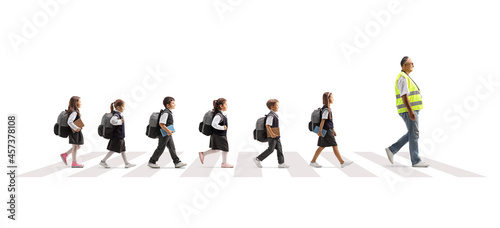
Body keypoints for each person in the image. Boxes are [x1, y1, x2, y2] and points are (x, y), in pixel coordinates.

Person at [385, 56, 429, 168]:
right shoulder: (402, 78)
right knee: (414, 134)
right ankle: (415, 160)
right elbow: (404, 96)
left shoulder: (405, 77)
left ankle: (391, 150)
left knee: (412, 133)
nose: (413, 65)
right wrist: (410, 111)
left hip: (411, 110)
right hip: (408, 110)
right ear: (404, 65)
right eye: (411, 63)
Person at [310, 92, 353, 168]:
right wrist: (320, 131)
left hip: (327, 130)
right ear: (328, 99)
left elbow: (328, 121)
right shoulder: (326, 109)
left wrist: (333, 130)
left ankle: (313, 161)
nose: (333, 99)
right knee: (334, 145)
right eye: (332, 97)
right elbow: (323, 121)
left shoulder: (326, 108)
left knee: (321, 146)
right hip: (327, 131)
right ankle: (342, 162)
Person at [148, 96, 187, 168]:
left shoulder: (168, 112)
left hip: (167, 133)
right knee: (161, 148)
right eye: (173, 103)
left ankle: (177, 162)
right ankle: (152, 161)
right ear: (167, 105)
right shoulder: (166, 113)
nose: (174, 104)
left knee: (172, 147)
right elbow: (161, 124)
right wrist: (168, 131)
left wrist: (169, 132)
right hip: (164, 133)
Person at [99, 99, 136, 168]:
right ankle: (103, 161)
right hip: (117, 136)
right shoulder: (116, 114)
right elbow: (112, 121)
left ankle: (126, 163)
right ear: (118, 107)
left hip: (120, 136)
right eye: (123, 106)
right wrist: (120, 121)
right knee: (113, 150)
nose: (124, 108)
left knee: (123, 150)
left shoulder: (118, 114)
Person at [253, 99, 290, 168]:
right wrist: (272, 134)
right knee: (271, 149)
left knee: (279, 148)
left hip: (276, 135)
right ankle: (257, 159)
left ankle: (281, 163)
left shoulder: (274, 115)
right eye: (277, 105)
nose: (278, 107)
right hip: (272, 135)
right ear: (272, 107)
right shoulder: (271, 115)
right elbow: (267, 125)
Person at [198, 98, 234, 168]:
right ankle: (224, 163)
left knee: (217, 149)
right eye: (226, 104)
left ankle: (203, 154)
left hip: (218, 135)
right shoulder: (219, 115)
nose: (227, 106)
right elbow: (214, 124)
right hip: (219, 135)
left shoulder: (221, 114)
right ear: (221, 106)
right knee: (225, 148)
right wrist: (222, 127)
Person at [60, 96, 84, 168]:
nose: (81, 103)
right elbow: (69, 122)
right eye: (79, 101)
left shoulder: (74, 111)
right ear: (75, 103)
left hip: (75, 132)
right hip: (74, 132)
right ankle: (74, 163)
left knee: (78, 146)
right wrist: (76, 128)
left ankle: (65, 155)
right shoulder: (74, 112)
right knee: (75, 146)